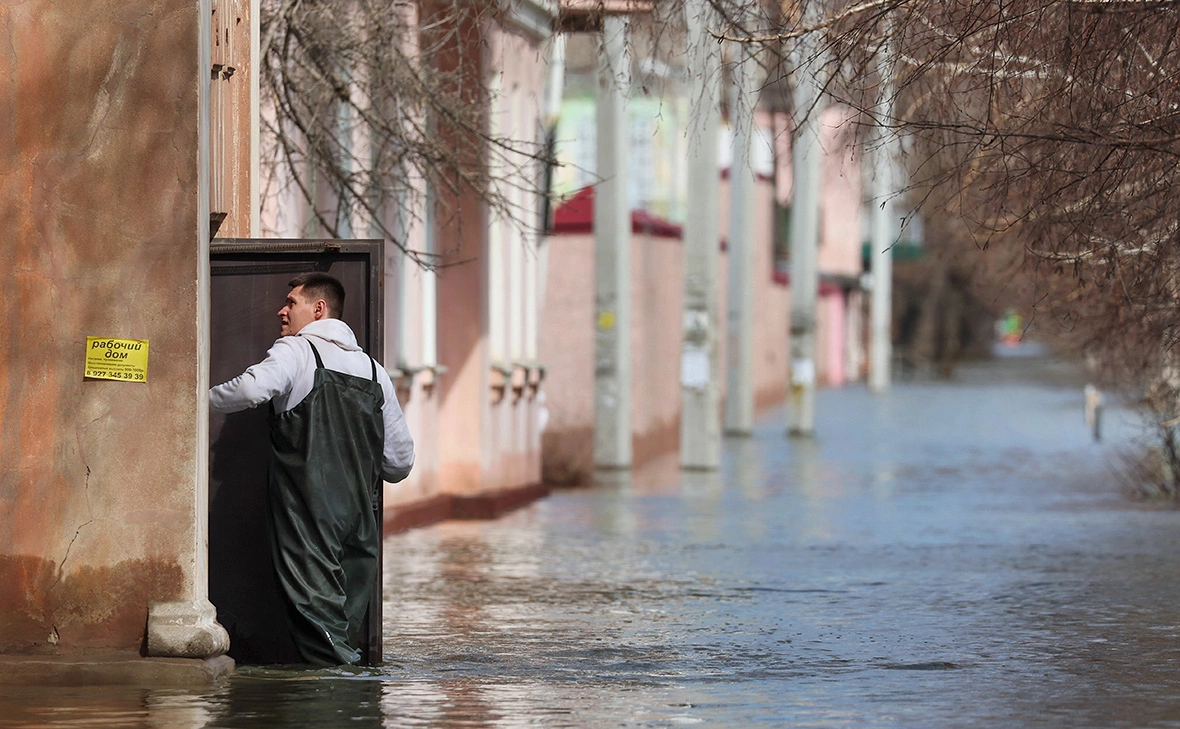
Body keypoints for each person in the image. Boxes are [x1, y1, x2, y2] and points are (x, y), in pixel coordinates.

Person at [209, 272, 414, 665]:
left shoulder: (296, 351)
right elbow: (400, 462)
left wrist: (196, 397)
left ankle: (332, 699)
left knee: (321, 634)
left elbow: (252, 390)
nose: (281, 310)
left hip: (307, 515)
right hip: (359, 524)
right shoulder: (375, 372)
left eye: (291, 302)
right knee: (344, 623)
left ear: (319, 309)